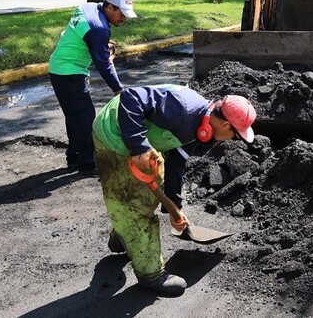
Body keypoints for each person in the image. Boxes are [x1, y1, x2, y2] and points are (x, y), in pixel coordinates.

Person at [93, 86, 256, 295]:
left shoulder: (201, 128)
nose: (234, 139)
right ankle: (151, 274)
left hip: (142, 140)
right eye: (235, 134)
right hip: (114, 135)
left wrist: (174, 208)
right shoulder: (183, 108)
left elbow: (176, 163)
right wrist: (138, 145)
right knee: (135, 206)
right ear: (225, 124)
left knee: (149, 191)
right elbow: (130, 96)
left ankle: (123, 235)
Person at [49, 0, 137, 174]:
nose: (124, 19)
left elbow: (86, 36)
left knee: (74, 117)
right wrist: (118, 88)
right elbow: (103, 64)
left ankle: (73, 157)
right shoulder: (98, 28)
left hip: (58, 68)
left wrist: (99, 44)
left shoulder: (89, 7)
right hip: (69, 73)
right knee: (85, 117)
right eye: (121, 14)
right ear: (110, 7)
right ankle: (87, 164)